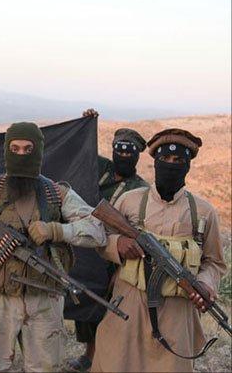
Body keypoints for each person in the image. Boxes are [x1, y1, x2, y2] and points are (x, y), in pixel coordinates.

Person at [0, 121, 107, 372]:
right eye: (15, 149)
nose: (21, 155)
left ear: (39, 153)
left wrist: (57, 230)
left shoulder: (57, 194)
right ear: (6, 151)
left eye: (28, 149)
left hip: (44, 298)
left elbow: (98, 231)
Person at [92, 128, 227, 372]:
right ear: (155, 162)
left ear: (188, 165)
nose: (171, 165)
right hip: (129, 303)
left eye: (178, 160)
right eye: (165, 158)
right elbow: (101, 238)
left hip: (177, 311)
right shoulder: (130, 200)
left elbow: (214, 262)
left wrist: (205, 284)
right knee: (117, 362)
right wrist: (118, 244)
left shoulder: (204, 212)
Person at [66, 109, 148, 372]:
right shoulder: (101, 169)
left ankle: (101, 358)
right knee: (83, 301)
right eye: (119, 149)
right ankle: (89, 354)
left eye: (129, 151)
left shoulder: (140, 189)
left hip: (113, 254)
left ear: (137, 155)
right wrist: (84, 123)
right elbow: (79, 152)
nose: (123, 155)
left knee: (104, 307)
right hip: (85, 245)